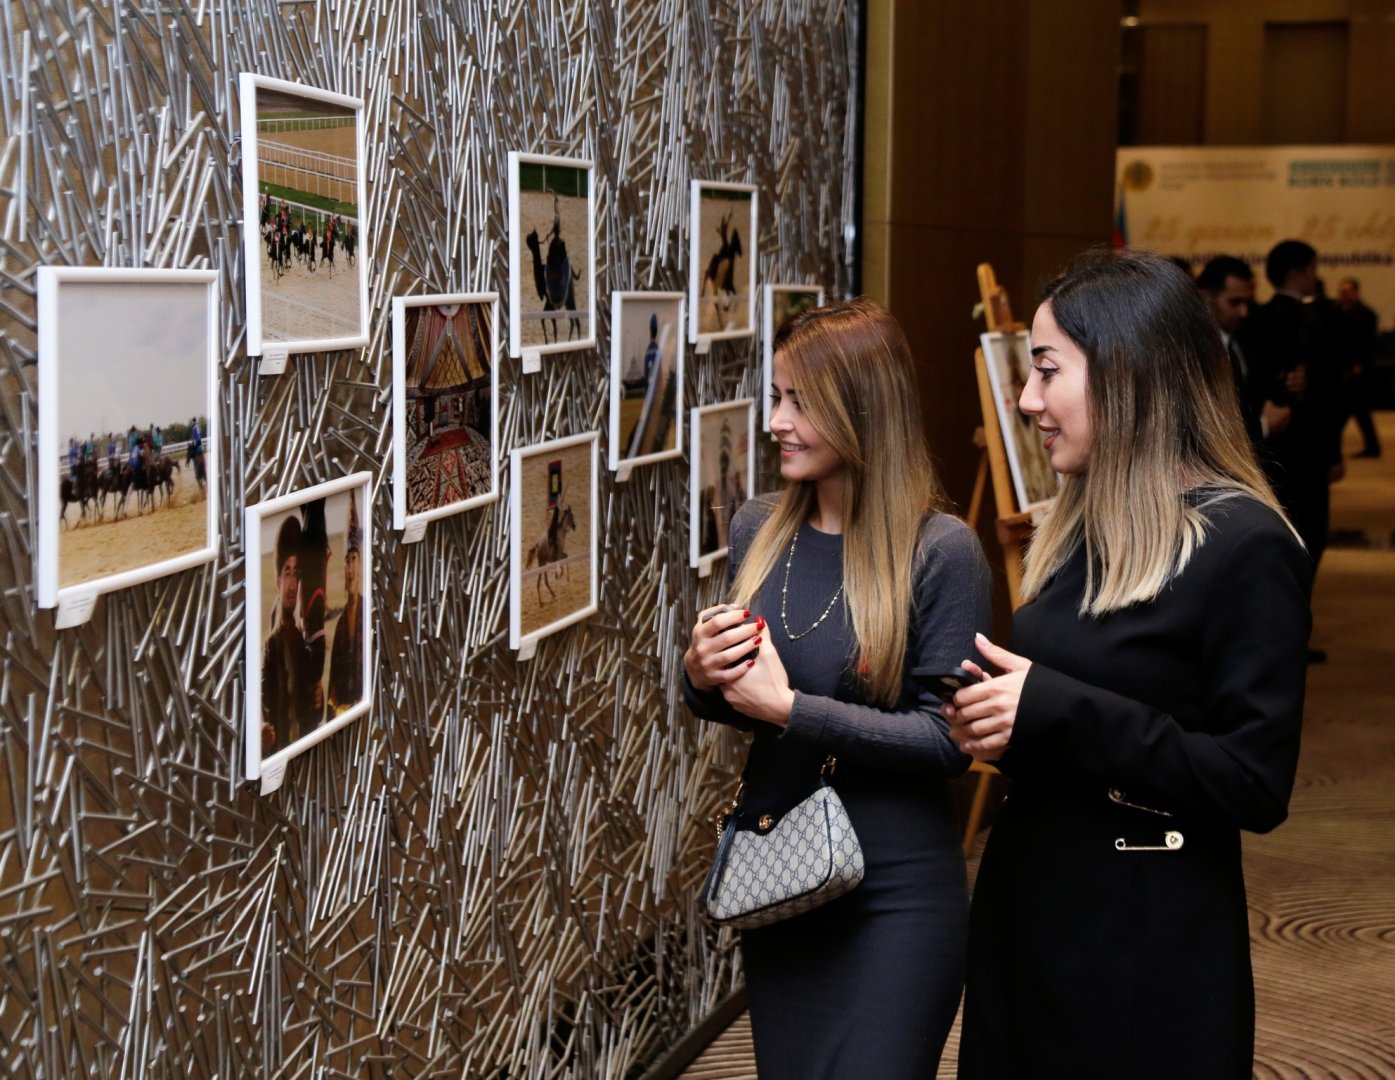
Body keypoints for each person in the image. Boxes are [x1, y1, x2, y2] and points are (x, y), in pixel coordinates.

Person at [948, 250, 1311, 1080]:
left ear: (1128, 374)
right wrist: (996, 717)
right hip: (1031, 910)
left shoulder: (1245, 545)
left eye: (1046, 372)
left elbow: (1254, 783)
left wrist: (1051, 709)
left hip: (1141, 943)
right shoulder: (1080, 521)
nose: (1027, 399)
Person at [683, 298, 992, 1079]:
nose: (775, 421)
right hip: (784, 883)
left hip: (897, 896)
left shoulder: (940, 552)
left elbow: (945, 742)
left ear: (863, 409)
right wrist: (698, 674)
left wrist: (790, 711)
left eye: (798, 402)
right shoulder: (759, 528)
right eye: (776, 396)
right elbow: (728, 697)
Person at [1195, 255, 1291, 455]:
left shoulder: (1251, 335)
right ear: (1205, 296)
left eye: (1248, 302)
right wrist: (1264, 427)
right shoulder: (1187, 351)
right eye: (1234, 302)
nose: (1243, 312)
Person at [1334, 276, 1381, 458]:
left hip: (1358, 371)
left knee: (1351, 413)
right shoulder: (1337, 312)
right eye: (1342, 293)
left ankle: (1372, 447)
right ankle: (1372, 447)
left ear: (1356, 292)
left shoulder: (1367, 314)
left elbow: (1368, 344)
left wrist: (1360, 365)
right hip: (1342, 369)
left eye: (1347, 292)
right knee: (1358, 413)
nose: (1344, 296)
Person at [327, 492, 364, 713]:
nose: (350, 570)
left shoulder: (366, 610)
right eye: (346, 561)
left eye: (354, 560)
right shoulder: (341, 623)